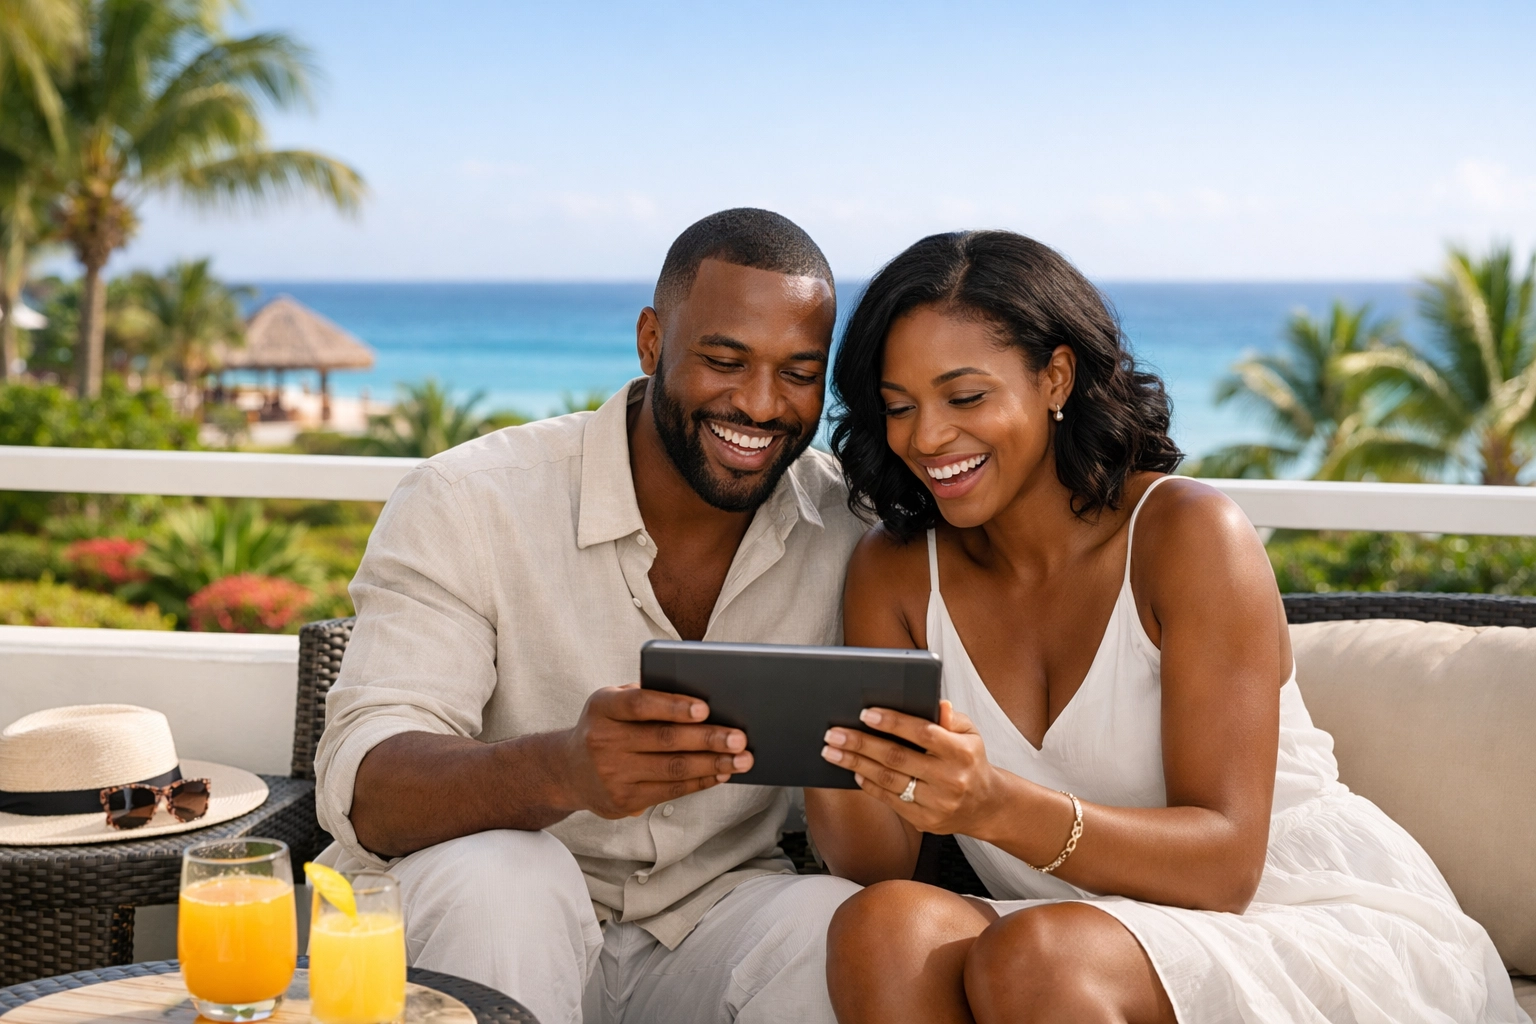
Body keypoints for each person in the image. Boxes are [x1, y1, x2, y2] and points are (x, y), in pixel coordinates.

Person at [806, 230, 1528, 1024]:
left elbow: (1225, 868)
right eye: (898, 406)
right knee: (883, 929)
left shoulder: (1187, 535)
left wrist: (989, 806)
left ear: (1056, 377)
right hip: (1070, 936)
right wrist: (816, 739)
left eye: (966, 397)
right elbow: (875, 864)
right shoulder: (897, 572)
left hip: (1295, 918)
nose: (927, 437)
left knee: (1041, 957)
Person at [313, 208, 865, 1024]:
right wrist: (560, 771)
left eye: (798, 372)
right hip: (484, 921)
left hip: (709, 920)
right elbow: (367, 789)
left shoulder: (851, 529)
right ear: (651, 341)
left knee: (837, 930)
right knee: (507, 880)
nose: (759, 403)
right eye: (724, 360)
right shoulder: (470, 499)